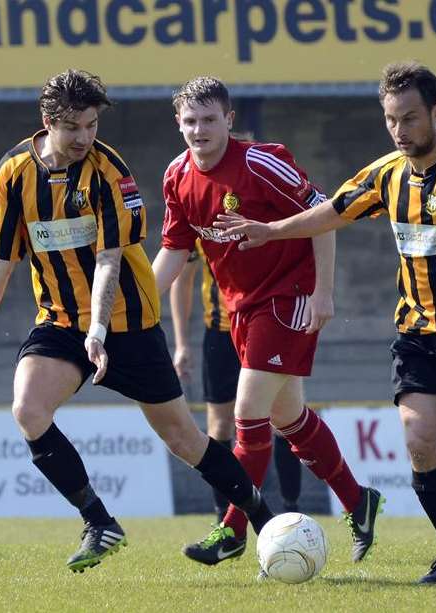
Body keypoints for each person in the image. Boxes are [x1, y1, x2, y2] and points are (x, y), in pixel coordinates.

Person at [215, 61, 436, 584]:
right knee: (421, 441)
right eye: (390, 120)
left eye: (409, 118)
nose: (400, 131)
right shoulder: (387, 174)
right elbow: (333, 211)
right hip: (419, 334)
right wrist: (272, 230)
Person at [0, 69, 273, 574]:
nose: (84, 138)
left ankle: (266, 523)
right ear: (47, 122)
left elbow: (110, 258)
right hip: (61, 322)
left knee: (185, 440)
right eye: (73, 127)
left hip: (127, 323)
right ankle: (100, 522)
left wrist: (99, 331)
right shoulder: (14, 174)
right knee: (28, 410)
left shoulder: (108, 170)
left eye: (91, 126)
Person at [153, 77, 383, 566]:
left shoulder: (260, 163)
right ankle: (358, 501)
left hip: (287, 297)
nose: (200, 130)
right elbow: (174, 252)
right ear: (178, 123)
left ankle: (232, 531)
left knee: (248, 414)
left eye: (210, 119)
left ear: (229, 121)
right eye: (190, 121)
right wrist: (133, 308)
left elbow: (328, 214)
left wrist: (323, 293)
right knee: (287, 418)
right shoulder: (176, 175)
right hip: (240, 307)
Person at [170, 240, 303, 522]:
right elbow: (181, 280)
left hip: (266, 327)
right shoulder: (199, 220)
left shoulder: (263, 211)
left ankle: (292, 511)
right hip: (220, 333)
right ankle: (224, 518)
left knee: (283, 420)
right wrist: (181, 344)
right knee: (219, 425)